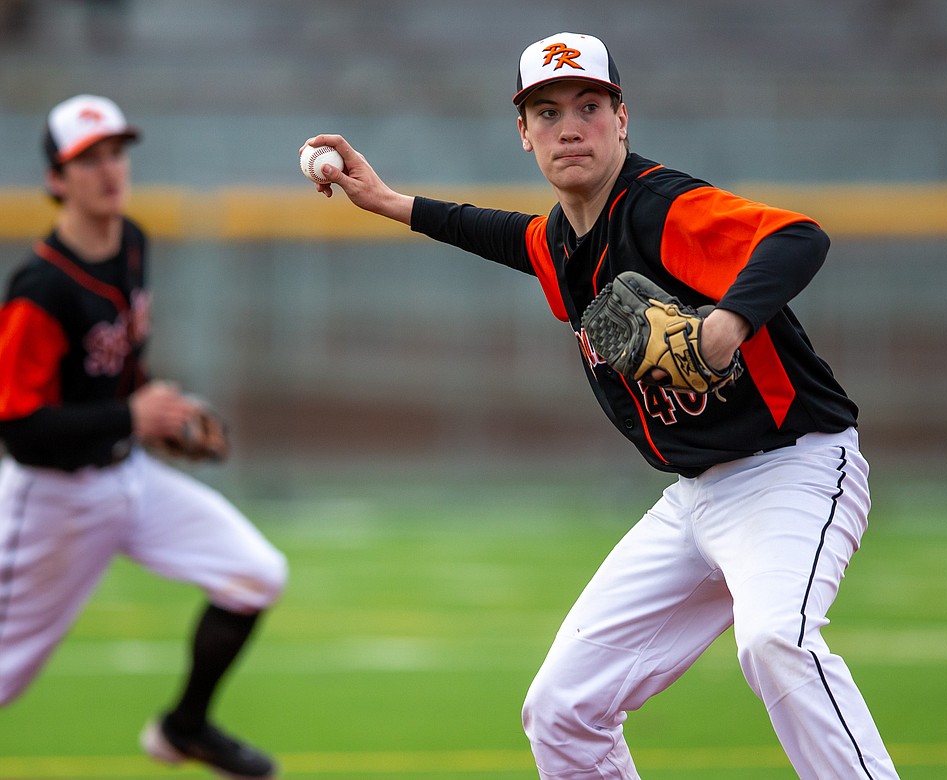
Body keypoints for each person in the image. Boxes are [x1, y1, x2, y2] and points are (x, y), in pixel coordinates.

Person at [305, 32, 899, 779]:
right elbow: (499, 233)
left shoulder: (659, 208)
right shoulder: (560, 242)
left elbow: (795, 237)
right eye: (547, 112)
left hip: (793, 470)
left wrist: (727, 323)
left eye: (590, 104)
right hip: (695, 497)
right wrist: (389, 202)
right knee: (561, 708)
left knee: (777, 640)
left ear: (622, 119)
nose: (570, 126)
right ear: (524, 135)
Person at [0, 94, 288, 780]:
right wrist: (133, 417)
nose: (109, 170)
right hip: (49, 502)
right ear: (55, 180)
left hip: (128, 478)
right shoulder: (39, 290)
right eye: (88, 159)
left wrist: (169, 417)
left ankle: (184, 727)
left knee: (255, 574)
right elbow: (18, 426)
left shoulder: (130, 242)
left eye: (116, 153)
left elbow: (121, 372)